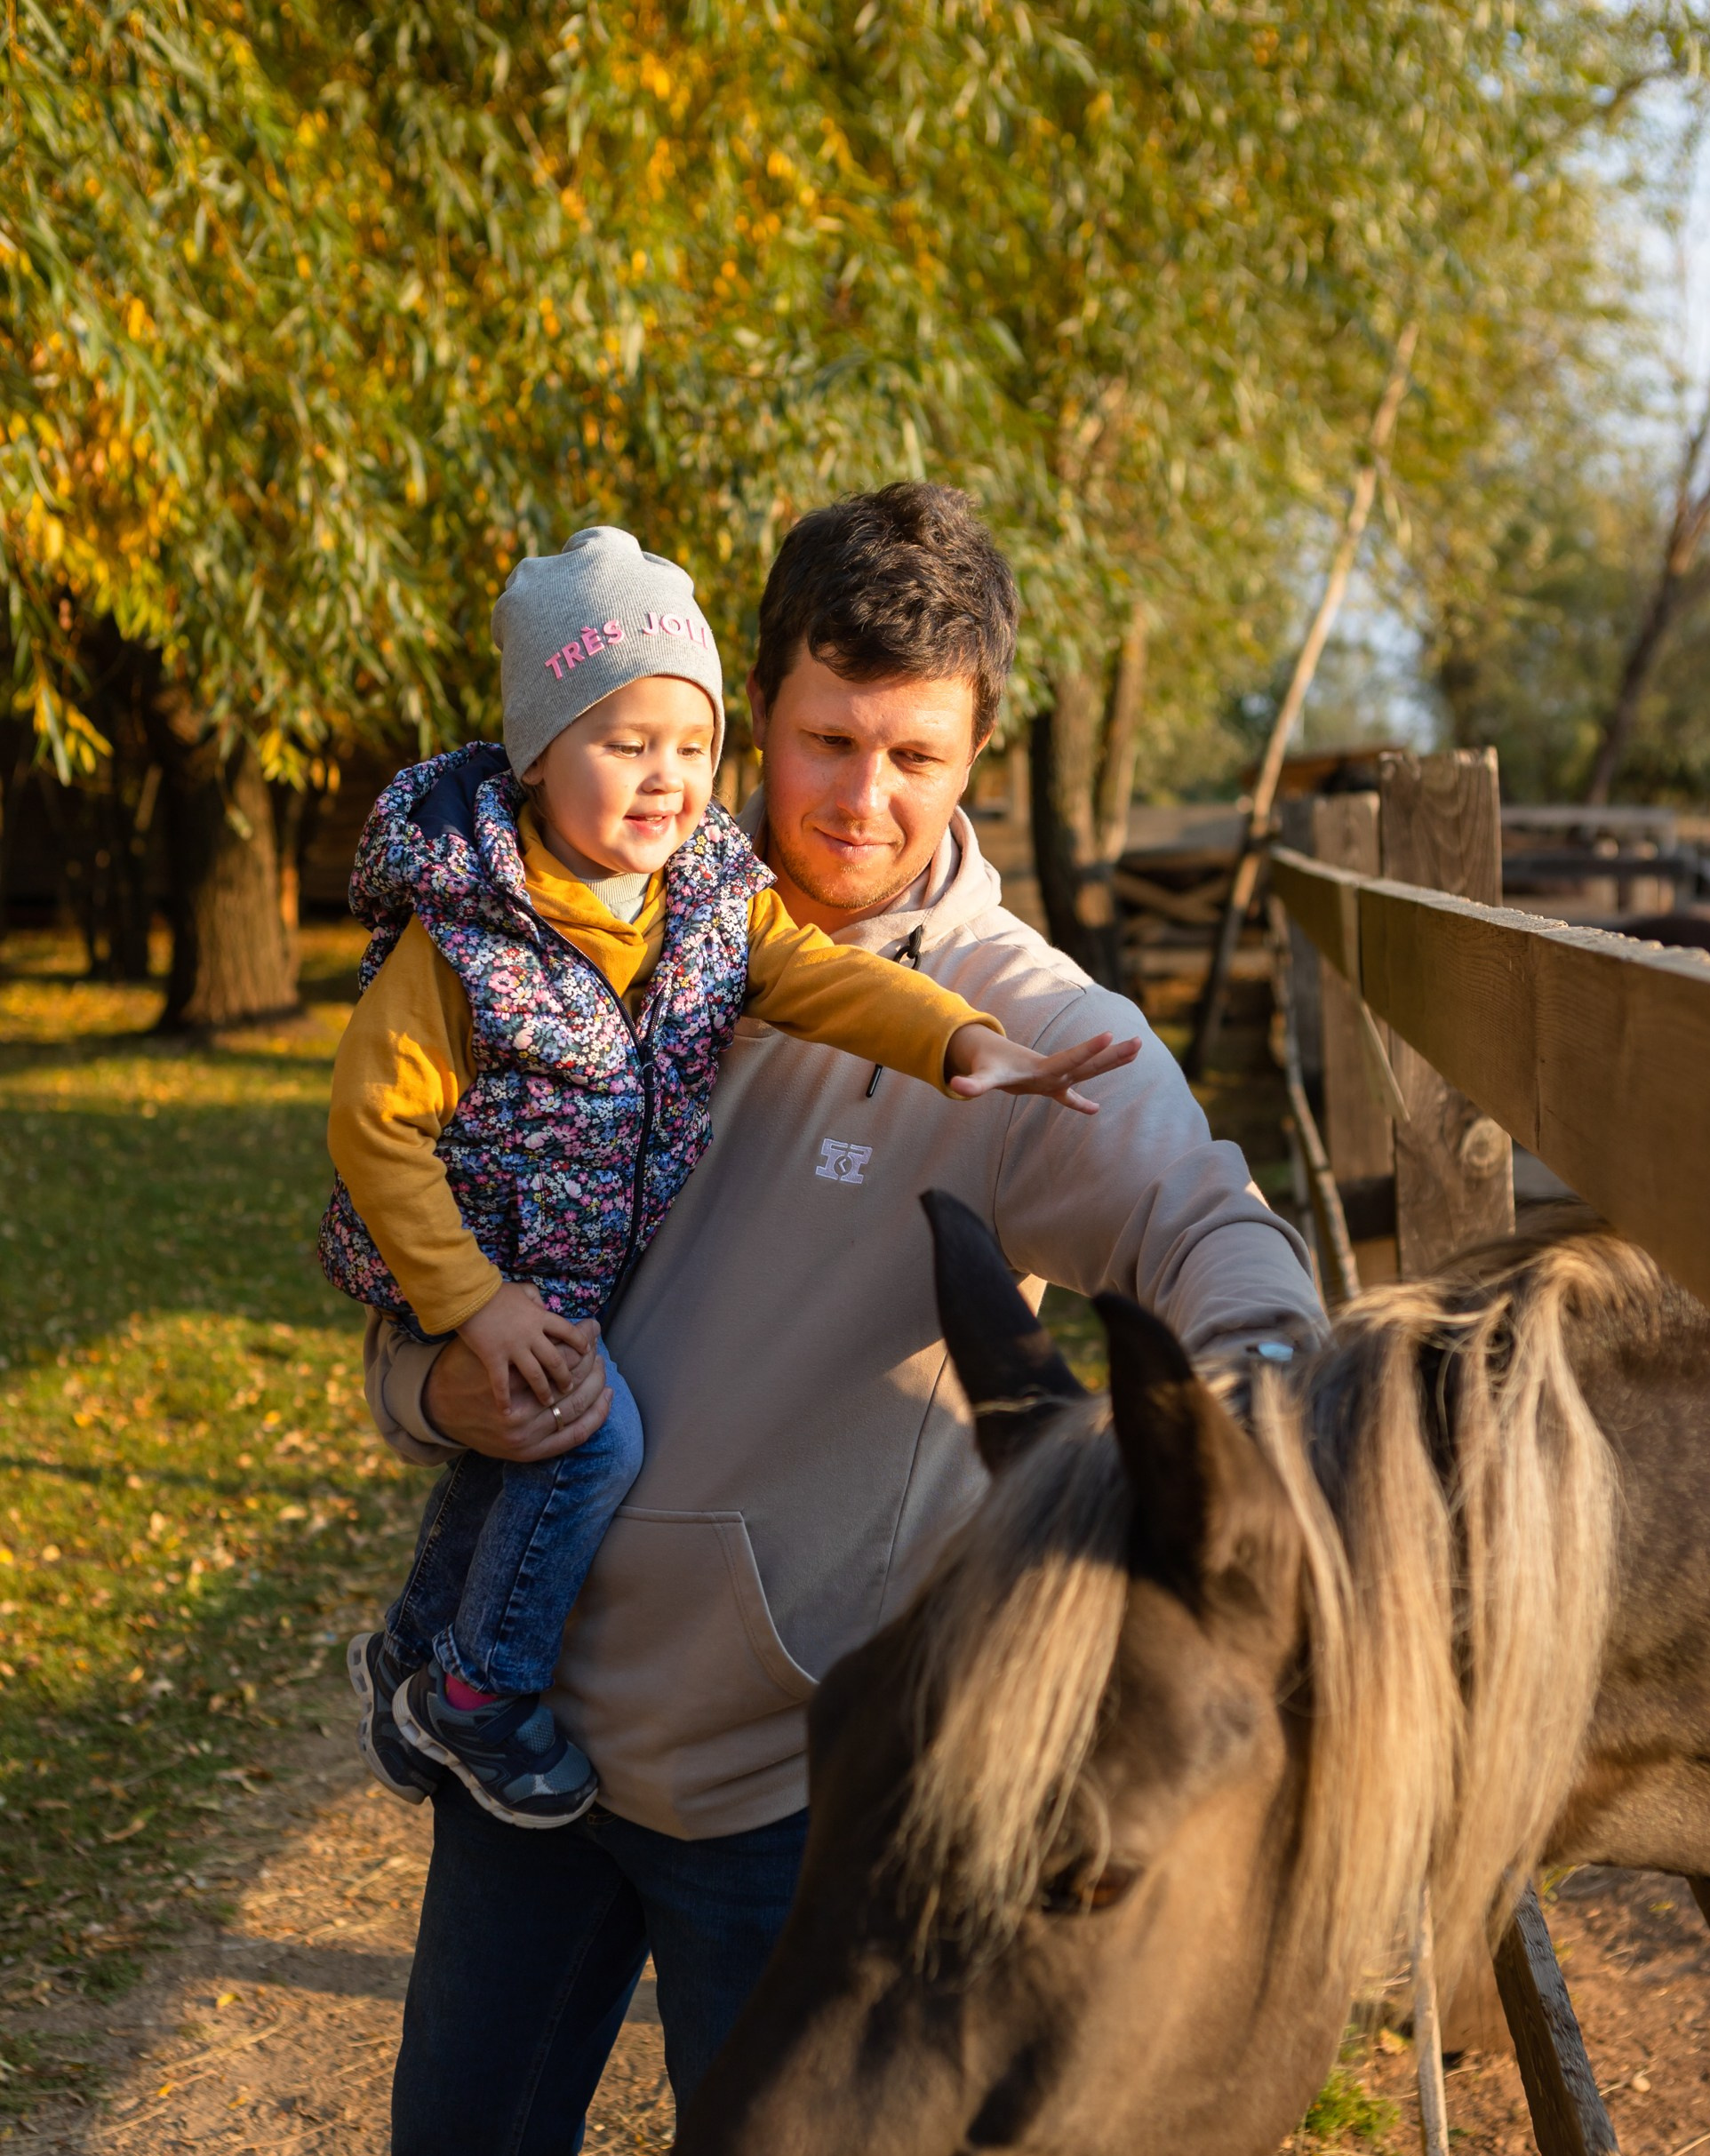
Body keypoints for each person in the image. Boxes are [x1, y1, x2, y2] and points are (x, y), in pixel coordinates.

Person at [218, 485, 1323, 2156]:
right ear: (757, 711)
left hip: (787, 1767)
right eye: (825, 742)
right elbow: (423, 1289)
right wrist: (436, 1387)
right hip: (536, 1736)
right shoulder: (610, 923)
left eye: (915, 758)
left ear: (972, 760)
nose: (862, 800)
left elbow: (1188, 1203)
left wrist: (1277, 1371)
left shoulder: (1016, 1027)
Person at [317, 525, 1132, 1832]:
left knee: (519, 1466)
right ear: (536, 756)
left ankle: (416, 1657)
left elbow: (823, 979)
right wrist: (472, 1307)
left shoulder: (697, 893)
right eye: (625, 746)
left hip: (565, 1260)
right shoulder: (465, 932)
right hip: (489, 1259)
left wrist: (959, 1040)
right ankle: (480, 1691)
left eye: (690, 750)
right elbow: (373, 1130)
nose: (666, 782)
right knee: (591, 1444)